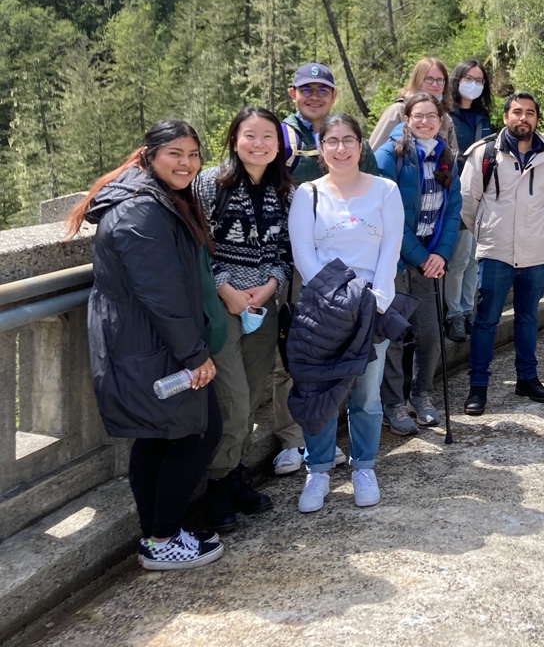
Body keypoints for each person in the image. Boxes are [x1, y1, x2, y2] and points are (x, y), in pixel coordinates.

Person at [69, 121, 226, 570]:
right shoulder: (141, 210)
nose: (187, 163)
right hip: (150, 343)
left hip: (148, 341)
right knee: (199, 432)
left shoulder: (155, 199)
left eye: (194, 155)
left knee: (159, 437)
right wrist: (195, 355)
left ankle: (160, 534)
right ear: (150, 155)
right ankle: (161, 538)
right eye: (175, 153)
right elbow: (160, 293)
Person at [288, 114, 404, 513]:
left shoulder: (385, 190)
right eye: (332, 141)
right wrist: (336, 299)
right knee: (317, 389)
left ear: (361, 145)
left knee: (367, 394)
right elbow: (303, 253)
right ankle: (317, 469)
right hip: (323, 309)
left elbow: (390, 249)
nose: (341, 148)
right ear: (321, 148)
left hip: (372, 306)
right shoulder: (308, 194)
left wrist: (378, 299)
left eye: (348, 140)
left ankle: (364, 466)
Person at [193, 107, 293, 533]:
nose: (259, 144)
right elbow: (198, 244)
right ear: (235, 139)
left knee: (251, 396)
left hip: (262, 305)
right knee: (231, 399)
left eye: (267, 136)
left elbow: (285, 250)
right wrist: (226, 290)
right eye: (250, 135)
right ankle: (215, 485)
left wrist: (270, 287)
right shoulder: (210, 184)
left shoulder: (283, 191)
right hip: (222, 306)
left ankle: (234, 475)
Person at [272, 62, 374, 476]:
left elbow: (373, 188)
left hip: (344, 265)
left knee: (337, 349)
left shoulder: (344, 135)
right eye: (306, 89)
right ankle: (291, 439)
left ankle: (325, 438)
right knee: (293, 349)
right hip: (289, 259)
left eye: (323, 90)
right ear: (292, 94)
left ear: (333, 96)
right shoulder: (279, 136)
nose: (314, 96)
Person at [460, 92, 544, 415]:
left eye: (530, 113)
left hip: (535, 253)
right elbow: (468, 203)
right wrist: (487, 233)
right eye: (517, 112)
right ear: (505, 117)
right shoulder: (484, 154)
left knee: (528, 318)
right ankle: (478, 386)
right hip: (496, 252)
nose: (524, 118)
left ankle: (527, 378)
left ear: (537, 118)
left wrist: (540, 233)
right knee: (486, 321)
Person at [375, 93, 462, 436]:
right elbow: (389, 218)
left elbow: (453, 209)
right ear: (407, 118)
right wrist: (423, 256)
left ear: (441, 121)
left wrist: (441, 253)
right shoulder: (389, 156)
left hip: (429, 261)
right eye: (418, 116)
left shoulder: (446, 157)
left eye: (432, 116)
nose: (425, 122)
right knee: (393, 337)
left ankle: (421, 394)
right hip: (395, 261)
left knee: (429, 333)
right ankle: (393, 404)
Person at [443, 59, 495, 342]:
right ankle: (454, 315)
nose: (473, 84)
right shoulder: (446, 115)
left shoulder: (484, 117)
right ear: (457, 80)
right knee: (460, 258)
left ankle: (467, 309)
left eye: (479, 80)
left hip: (483, 194)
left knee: (476, 257)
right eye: (468, 78)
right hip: (455, 194)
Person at [369, 57, 458, 152]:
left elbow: (453, 158)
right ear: (417, 80)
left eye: (440, 80)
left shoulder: (445, 119)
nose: (435, 84)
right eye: (429, 79)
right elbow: (374, 154)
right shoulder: (398, 111)